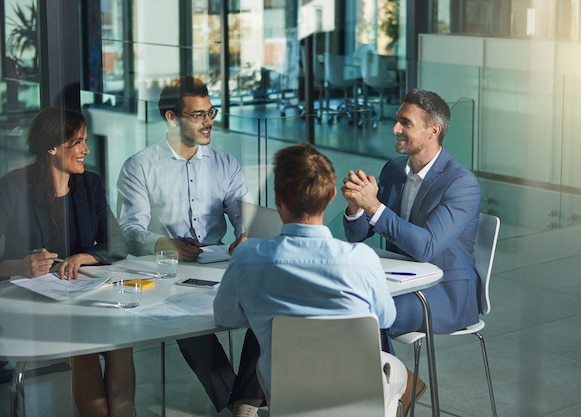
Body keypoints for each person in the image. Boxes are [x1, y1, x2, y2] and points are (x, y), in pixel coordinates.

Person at [214, 143, 407, 417]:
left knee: (263, 364)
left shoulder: (247, 258)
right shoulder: (361, 260)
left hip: (287, 395)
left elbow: (225, 316)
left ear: (277, 199)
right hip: (356, 394)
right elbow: (386, 319)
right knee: (393, 372)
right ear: (330, 197)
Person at [116, 76, 263, 416]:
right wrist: (164, 244)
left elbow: (246, 213)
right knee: (186, 321)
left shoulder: (225, 163)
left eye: (210, 111)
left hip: (221, 262)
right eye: (197, 115)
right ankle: (242, 407)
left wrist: (245, 233)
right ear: (171, 118)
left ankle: (242, 405)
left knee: (268, 303)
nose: (208, 121)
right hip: (168, 270)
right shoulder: (140, 166)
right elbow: (130, 229)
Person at [341, 88, 482, 409]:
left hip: (444, 293)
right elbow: (357, 235)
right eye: (396, 121)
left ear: (433, 131)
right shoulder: (394, 170)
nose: (395, 129)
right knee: (341, 304)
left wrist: (374, 206)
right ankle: (400, 384)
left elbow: (426, 246)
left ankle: (378, 399)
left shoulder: (462, 183)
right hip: (399, 282)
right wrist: (356, 208)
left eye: (405, 123)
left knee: (365, 315)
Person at [0, 107, 134, 417]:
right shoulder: (11, 188)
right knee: (83, 349)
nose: (86, 150)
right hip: (33, 301)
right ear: (51, 147)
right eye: (78, 142)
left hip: (83, 293)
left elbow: (118, 243)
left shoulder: (90, 184)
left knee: (122, 343)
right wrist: (20, 266)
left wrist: (86, 256)